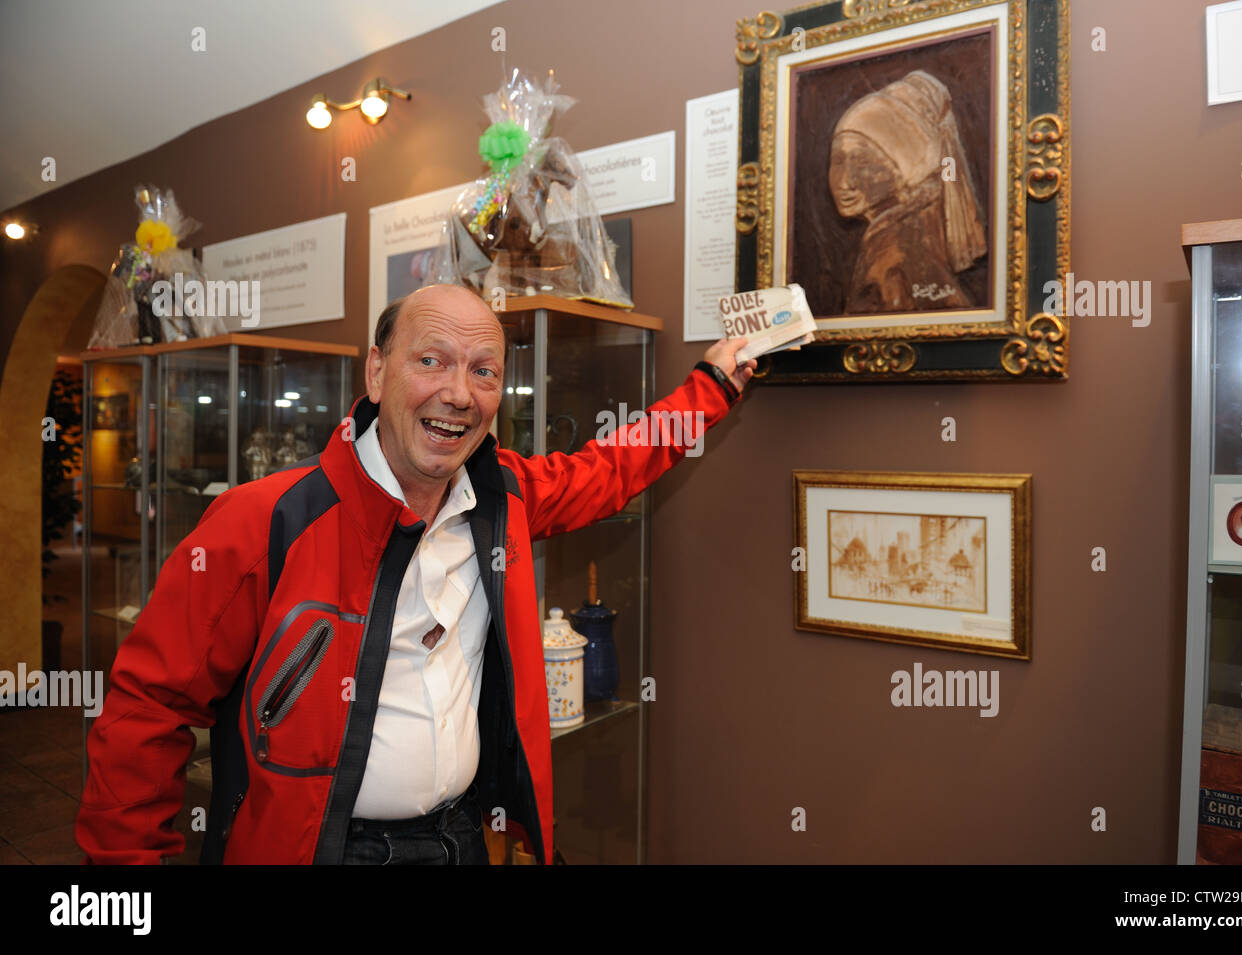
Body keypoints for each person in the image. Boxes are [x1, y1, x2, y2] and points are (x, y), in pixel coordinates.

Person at [76, 284, 755, 865]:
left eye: (484, 371)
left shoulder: (504, 498)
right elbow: (147, 710)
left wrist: (715, 383)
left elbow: (610, 469)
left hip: (460, 837)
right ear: (376, 372)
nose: (458, 393)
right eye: (431, 360)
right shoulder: (263, 520)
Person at [828, 69, 987, 315]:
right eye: (838, 162)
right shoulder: (900, 238)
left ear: (905, 172)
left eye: (863, 164)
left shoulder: (895, 256)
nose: (845, 181)